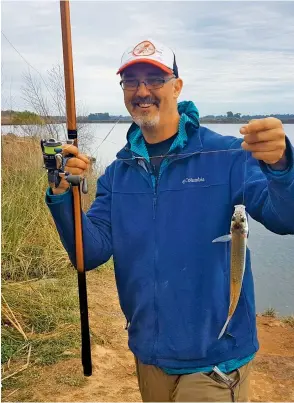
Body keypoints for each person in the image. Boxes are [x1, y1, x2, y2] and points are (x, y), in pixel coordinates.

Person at [46, 39, 294, 402]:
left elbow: (284, 217)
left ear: (177, 86)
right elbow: (89, 254)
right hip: (150, 355)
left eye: (154, 79)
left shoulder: (227, 155)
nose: (142, 91)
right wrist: (62, 196)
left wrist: (282, 165)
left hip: (215, 359)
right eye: (131, 82)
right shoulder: (117, 174)